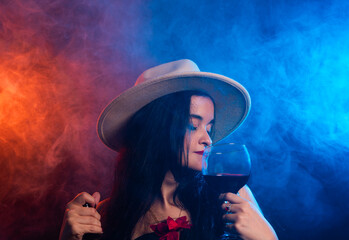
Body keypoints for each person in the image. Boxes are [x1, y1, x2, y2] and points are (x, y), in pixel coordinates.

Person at [59, 59, 278, 240]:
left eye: (209, 128)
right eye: (193, 125)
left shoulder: (230, 198)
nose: (208, 140)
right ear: (157, 130)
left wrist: (266, 237)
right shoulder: (106, 214)